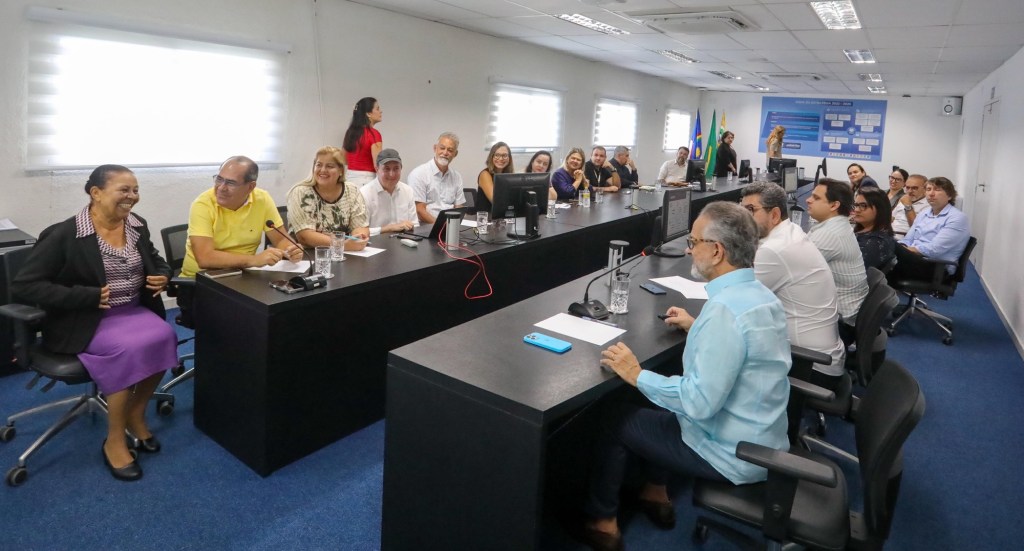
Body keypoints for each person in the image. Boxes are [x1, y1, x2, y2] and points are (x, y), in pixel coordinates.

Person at [582, 202, 791, 550]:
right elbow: (745, 350)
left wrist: (637, 374)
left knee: (615, 416)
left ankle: (602, 522)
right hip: (763, 436)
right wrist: (698, 329)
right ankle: (654, 490)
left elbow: (697, 403)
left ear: (717, 250)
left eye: (694, 243)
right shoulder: (758, 296)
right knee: (664, 388)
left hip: (730, 452)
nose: (689, 250)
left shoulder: (723, 312)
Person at [12, 165, 178, 481]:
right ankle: (114, 440)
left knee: (165, 335)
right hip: (84, 319)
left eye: (135, 190)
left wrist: (163, 275)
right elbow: (25, 285)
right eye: (124, 189)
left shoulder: (136, 226)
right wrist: (84, 296)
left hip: (132, 310)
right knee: (129, 350)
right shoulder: (65, 234)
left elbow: (156, 260)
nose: (132, 197)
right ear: (96, 193)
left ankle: (135, 412)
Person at [740, 182, 846, 390]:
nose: (742, 218)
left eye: (750, 210)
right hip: (822, 354)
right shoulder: (791, 231)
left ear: (775, 214)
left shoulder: (775, 250)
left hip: (809, 366)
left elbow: (736, 298)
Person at [179, 156, 303, 322]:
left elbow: (281, 239)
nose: (221, 188)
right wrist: (254, 260)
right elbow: (205, 257)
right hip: (202, 282)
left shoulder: (262, 199)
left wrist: (291, 249)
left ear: (250, 187)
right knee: (245, 320)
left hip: (244, 279)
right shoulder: (203, 204)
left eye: (230, 183)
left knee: (285, 307)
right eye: (219, 179)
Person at [805, 178, 869, 326]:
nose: (808, 200)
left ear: (834, 205)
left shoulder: (829, 235)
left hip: (840, 320)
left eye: (816, 198)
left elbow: (790, 271)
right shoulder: (838, 225)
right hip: (846, 309)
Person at [287, 146, 370, 250]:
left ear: (341, 170)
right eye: (319, 165)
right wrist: (342, 245)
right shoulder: (301, 192)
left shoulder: (352, 190)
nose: (323, 170)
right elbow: (304, 236)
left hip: (343, 254)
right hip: (308, 256)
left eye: (330, 166)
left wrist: (358, 238)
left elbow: (360, 226)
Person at [894, 177, 971, 280]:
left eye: (937, 189)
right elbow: (908, 239)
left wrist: (901, 251)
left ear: (949, 196)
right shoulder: (924, 213)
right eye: (929, 189)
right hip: (914, 259)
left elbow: (934, 250)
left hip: (935, 267)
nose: (931, 193)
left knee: (881, 262)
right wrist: (901, 247)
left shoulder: (957, 218)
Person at [409, 131, 465, 224]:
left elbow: (459, 207)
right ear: (435, 148)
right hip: (425, 227)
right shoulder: (419, 174)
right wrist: (441, 227)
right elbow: (419, 211)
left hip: (449, 227)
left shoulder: (456, 177)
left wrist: (454, 226)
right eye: (442, 148)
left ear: (455, 154)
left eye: (450, 150)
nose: (445, 152)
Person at [360, 148, 418, 236]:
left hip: (403, 242)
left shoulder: (407, 190)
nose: (392, 174)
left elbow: (415, 224)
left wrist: (411, 226)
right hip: (375, 245)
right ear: (377, 169)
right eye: (386, 169)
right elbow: (360, 232)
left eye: (396, 169)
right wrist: (389, 228)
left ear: (401, 169)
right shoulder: (364, 193)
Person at [342, 97, 383, 186]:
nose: (381, 111)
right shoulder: (374, 134)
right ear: (368, 113)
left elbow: (343, 159)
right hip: (366, 180)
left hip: (349, 179)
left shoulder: (350, 132)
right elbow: (377, 164)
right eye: (377, 108)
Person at [852, 188, 897, 270]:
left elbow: (851, 269)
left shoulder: (876, 242)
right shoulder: (864, 232)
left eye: (863, 206)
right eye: (856, 205)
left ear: (880, 209)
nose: (856, 210)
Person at [475, 141, 515, 215]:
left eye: (504, 155)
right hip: (485, 219)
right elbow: (496, 201)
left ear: (509, 158)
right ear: (491, 157)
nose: (500, 158)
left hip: (502, 218)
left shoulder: (509, 176)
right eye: (497, 155)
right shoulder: (485, 174)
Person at [891, 173, 929, 238]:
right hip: (889, 234)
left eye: (914, 188)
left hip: (905, 237)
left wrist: (908, 206)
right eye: (907, 188)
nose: (910, 191)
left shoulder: (928, 205)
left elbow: (916, 228)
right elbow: (891, 219)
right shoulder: (904, 199)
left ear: (925, 189)